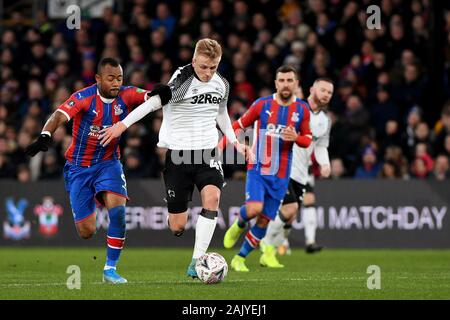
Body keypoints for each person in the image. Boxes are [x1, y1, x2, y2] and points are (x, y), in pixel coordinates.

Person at [98, 38, 251, 278]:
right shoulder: (182, 80)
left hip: (207, 152)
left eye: (213, 67)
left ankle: (196, 261)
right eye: (203, 67)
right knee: (177, 226)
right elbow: (152, 104)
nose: (208, 72)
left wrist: (233, 142)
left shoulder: (222, 84)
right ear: (193, 61)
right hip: (178, 156)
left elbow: (221, 112)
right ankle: (177, 220)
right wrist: (121, 125)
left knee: (213, 197)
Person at [24, 57, 171, 284]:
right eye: (111, 78)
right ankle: (93, 198)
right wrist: (45, 135)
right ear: (98, 79)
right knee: (87, 231)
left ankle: (110, 269)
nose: (116, 83)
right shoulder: (83, 97)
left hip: (109, 163)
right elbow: (58, 115)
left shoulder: (126, 94)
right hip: (78, 168)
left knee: (119, 212)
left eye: (119, 78)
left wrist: (158, 92)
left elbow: (148, 96)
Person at [222, 65, 312, 272]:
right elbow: (240, 124)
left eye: (290, 80)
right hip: (258, 167)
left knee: (264, 220)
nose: (286, 84)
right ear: (276, 83)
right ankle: (239, 223)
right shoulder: (262, 104)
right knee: (254, 209)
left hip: (282, 174)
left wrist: (296, 138)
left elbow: (308, 139)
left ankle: (240, 258)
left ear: (296, 84)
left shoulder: (302, 109)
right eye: (282, 80)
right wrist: (226, 141)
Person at [259, 78, 334, 268]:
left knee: (289, 216)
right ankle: (264, 242)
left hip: (301, 172)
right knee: (290, 209)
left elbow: (320, 146)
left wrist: (325, 164)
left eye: (329, 92)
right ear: (311, 89)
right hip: (282, 166)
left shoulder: (325, 121)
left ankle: (269, 247)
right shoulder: (295, 109)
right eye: (323, 90)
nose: (326, 94)